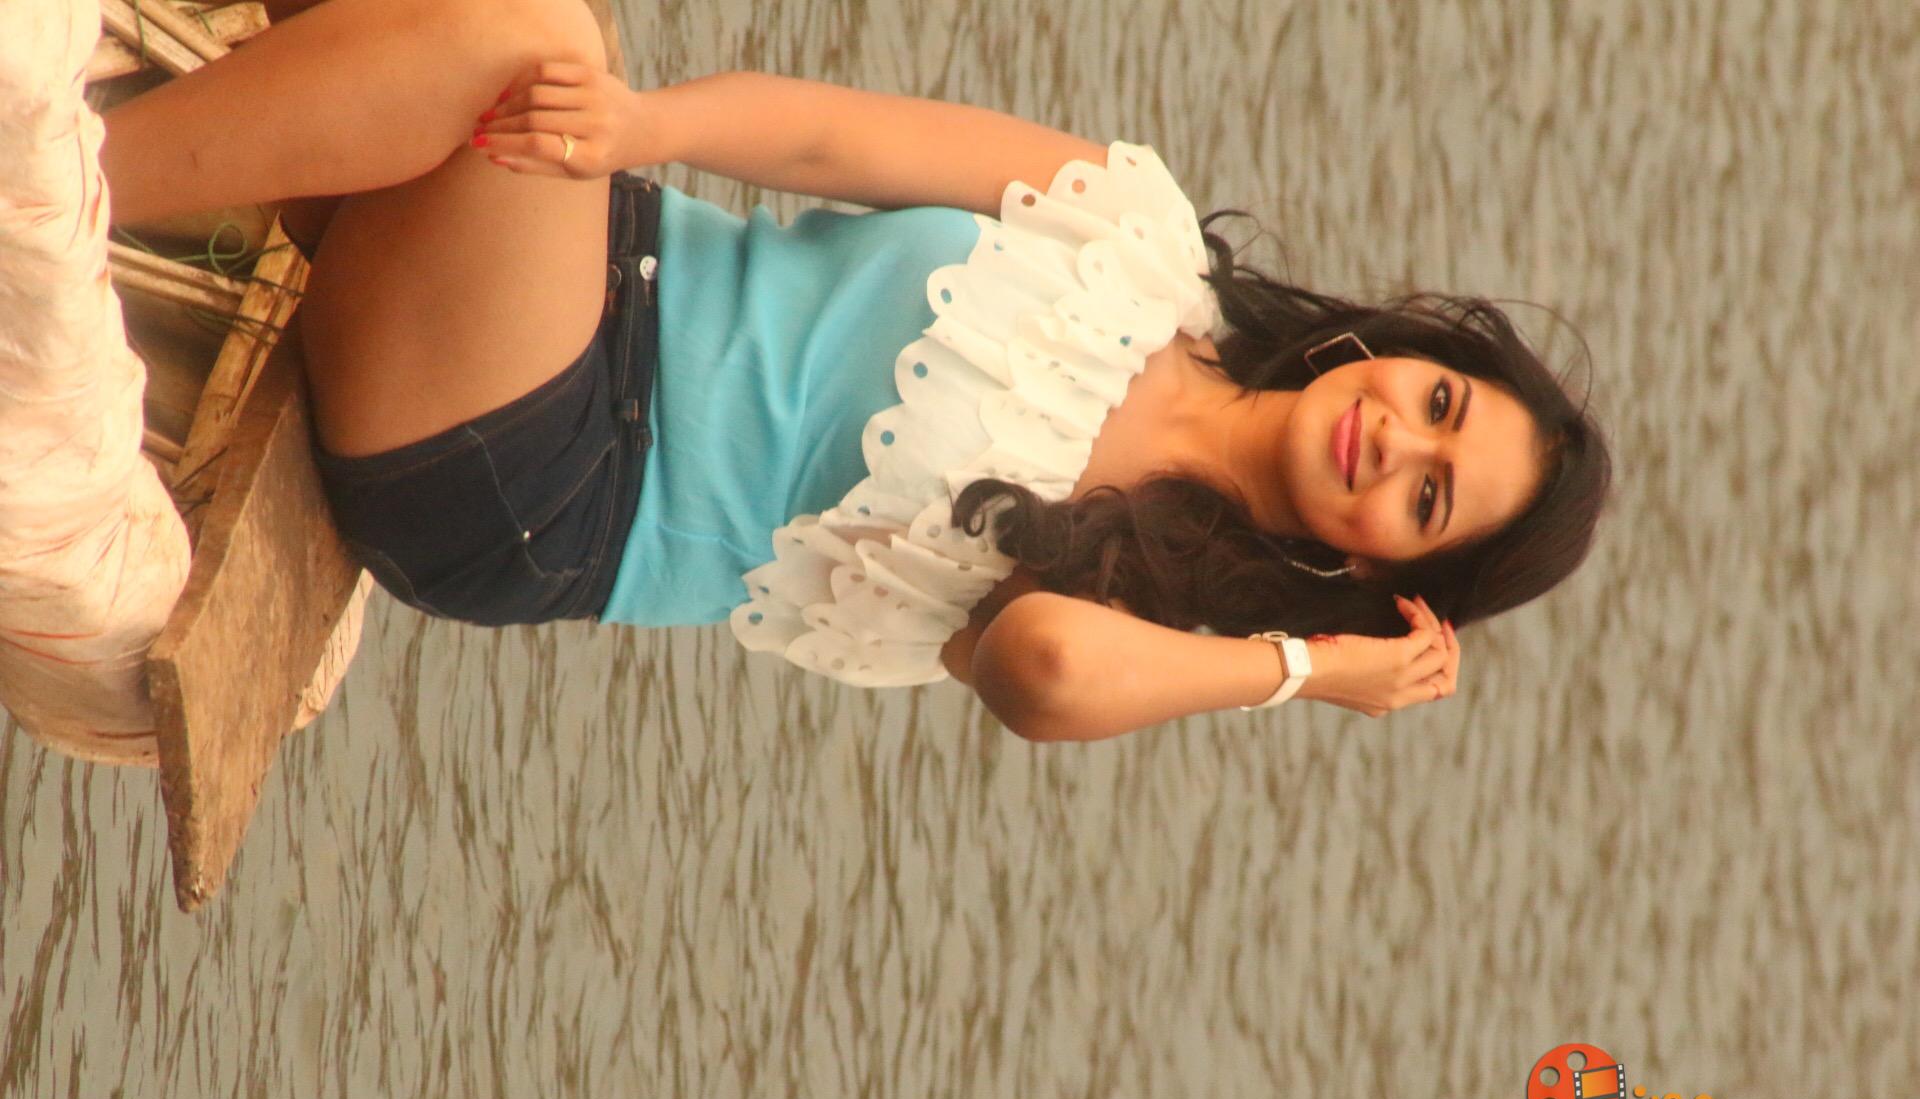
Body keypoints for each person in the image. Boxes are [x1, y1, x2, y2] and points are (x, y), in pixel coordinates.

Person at [97, 0, 1609, 743]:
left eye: (1428, 498)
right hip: (592, 239)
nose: (1397, 443)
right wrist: (644, 125)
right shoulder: (1138, 236)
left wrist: (1308, 668)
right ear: (1406, 351)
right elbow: (836, 141)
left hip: (548, 478)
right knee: (554, 51)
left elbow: (1042, 677)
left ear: (1381, 565)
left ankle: (49, 179)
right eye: (1440, 405)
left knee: (525, 36)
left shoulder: (1156, 592)